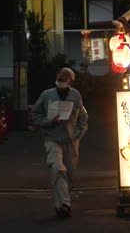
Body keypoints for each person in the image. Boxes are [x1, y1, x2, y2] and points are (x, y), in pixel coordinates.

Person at [31, 67, 88, 218]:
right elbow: (35, 114)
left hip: (70, 140)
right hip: (52, 139)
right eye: (60, 74)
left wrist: (77, 136)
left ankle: (63, 202)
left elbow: (83, 117)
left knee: (69, 174)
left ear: (71, 81)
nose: (62, 77)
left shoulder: (75, 95)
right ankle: (64, 205)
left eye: (66, 75)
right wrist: (48, 122)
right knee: (57, 168)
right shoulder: (47, 95)